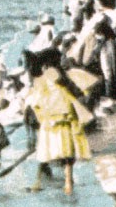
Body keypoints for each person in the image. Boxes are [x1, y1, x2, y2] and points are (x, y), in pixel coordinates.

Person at [28, 60, 91, 195]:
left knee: (45, 153)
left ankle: (39, 181)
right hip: (65, 121)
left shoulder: (44, 82)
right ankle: (68, 181)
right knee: (67, 153)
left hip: (49, 122)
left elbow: (35, 103)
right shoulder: (64, 83)